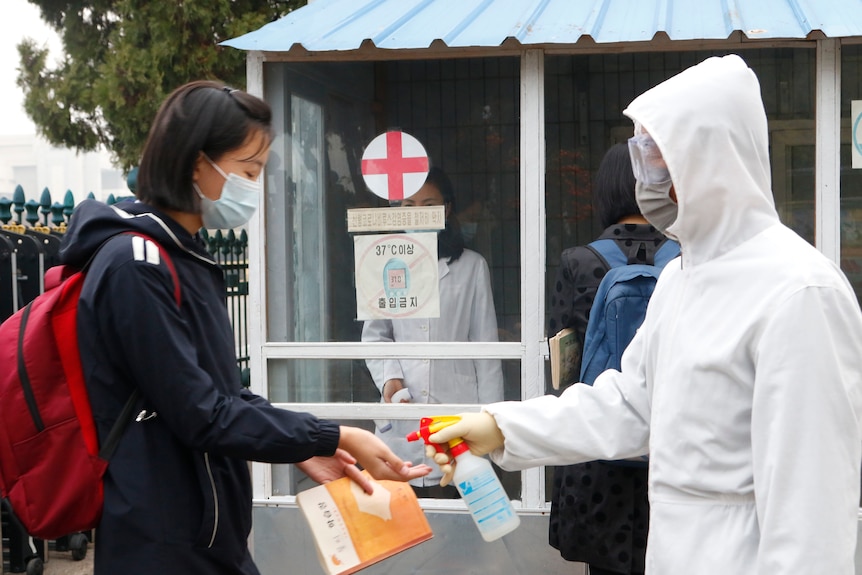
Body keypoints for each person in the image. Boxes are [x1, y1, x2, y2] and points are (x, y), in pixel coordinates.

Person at [427, 54, 862, 574]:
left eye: (657, 153)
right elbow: (631, 405)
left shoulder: (798, 290)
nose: (644, 172)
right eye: (641, 151)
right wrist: (500, 427)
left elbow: (811, 513)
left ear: (710, 158)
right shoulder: (681, 277)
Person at [60, 81, 430, 575]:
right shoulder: (135, 265)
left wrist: (309, 448)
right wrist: (331, 435)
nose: (255, 186)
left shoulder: (185, 257)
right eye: (248, 170)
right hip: (160, 544)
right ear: (197, 164)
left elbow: (224, 394)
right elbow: (202, 414)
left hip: (208, 534)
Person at [548, 143, 671, 575]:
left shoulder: (579, 262)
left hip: (600, 449)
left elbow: (563, 367)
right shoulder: (689, 260)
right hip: (672, 445)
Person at [361, 166, 503, 495]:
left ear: (447, 208)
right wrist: (389, 378)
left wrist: (491, 422)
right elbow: (375, 335)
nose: (418, 214)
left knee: (459, 520)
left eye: (429, 205)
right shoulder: (384, 263)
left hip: (457, 413)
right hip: (402, 414)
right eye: (408, 206)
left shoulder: (471, 266)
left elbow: (487, 349)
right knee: (403, 522)